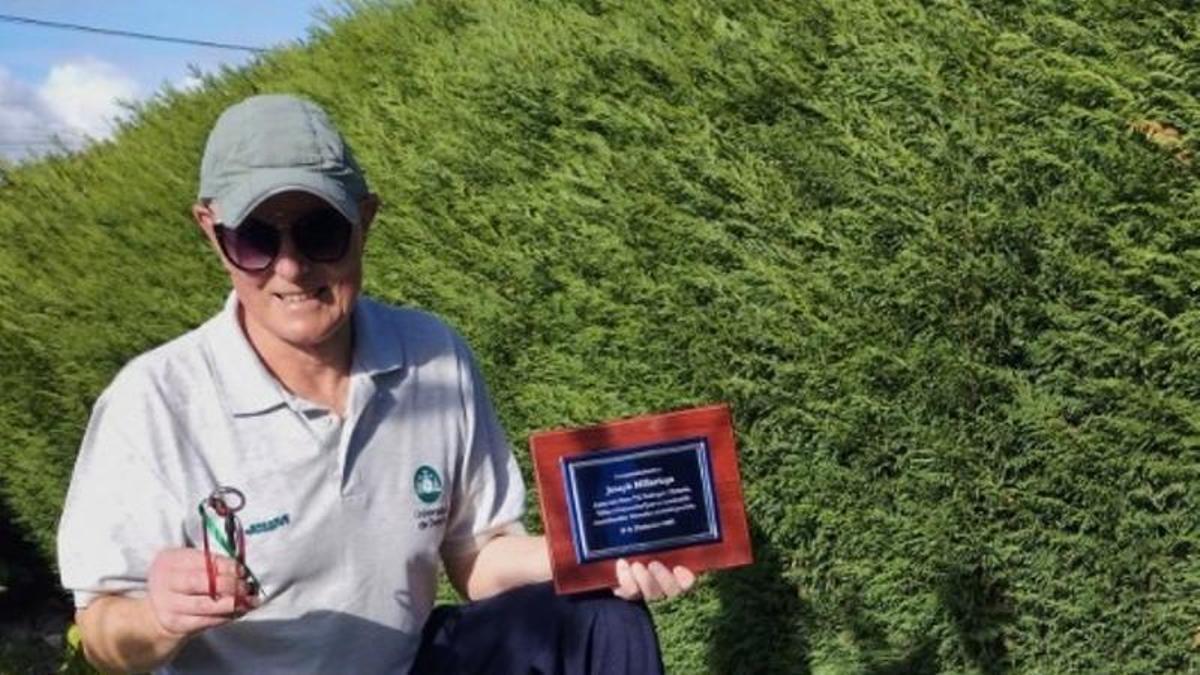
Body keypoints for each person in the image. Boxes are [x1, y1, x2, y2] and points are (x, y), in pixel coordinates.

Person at [55, 94, 695, 674]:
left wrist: (599, 553)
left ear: (365, 219)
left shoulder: (431, 355)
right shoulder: (154, 402)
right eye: (253, 238)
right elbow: (105, 634)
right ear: (210, 230)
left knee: (598, 619)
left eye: (319, 231)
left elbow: (479, 557)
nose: (290, 267)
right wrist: (161, 617)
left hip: (408, 665)